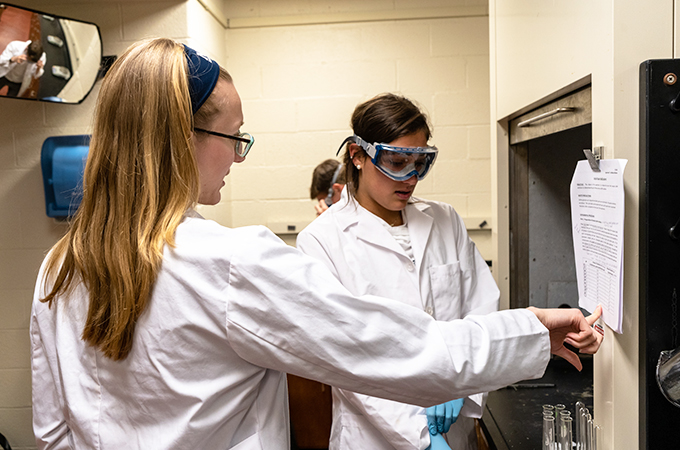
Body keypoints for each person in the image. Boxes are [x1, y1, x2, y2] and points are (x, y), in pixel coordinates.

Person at [30, 38, 603, 450]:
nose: (235, 155)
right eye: (232, 138)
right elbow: (396, 350)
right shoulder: (229, 263)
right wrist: (534, 327)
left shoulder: (59, 266)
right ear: (183, 137)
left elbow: (53, 430)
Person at [296, 93, 603, 450]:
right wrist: (421, 437)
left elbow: (482, 313)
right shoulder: (321, 242)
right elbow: (348, 361)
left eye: (420, 162)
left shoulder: (445, 220)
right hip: (374, 437)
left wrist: (463, 388)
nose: (411, 178)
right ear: (358, 156)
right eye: (397, 162)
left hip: (455, 425)